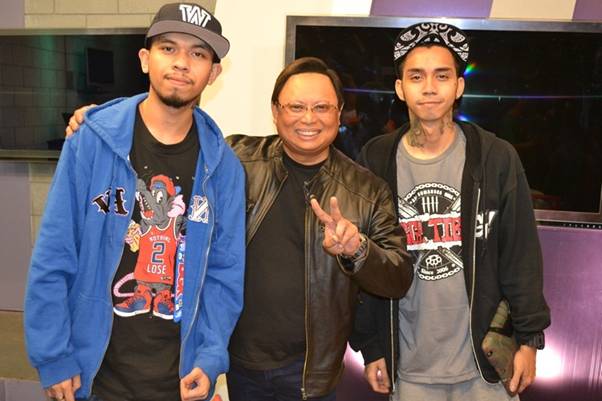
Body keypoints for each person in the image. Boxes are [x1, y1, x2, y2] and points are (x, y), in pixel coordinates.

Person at [65, 57, 413, 401]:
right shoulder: (235, 159)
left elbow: (397, 278)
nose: (309, 118)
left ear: (339, 113)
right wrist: (103, 121)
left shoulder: (367, 191)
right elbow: (169, 136)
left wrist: (357, 250)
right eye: (296, 107)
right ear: (275, 112)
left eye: (322, 107)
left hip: (311, 372)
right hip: (235, 362)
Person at [24, 3, 245, 401]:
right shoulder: (92, 142)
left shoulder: (224, 168)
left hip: (179, 380)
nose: (182, 63)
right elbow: (54, 254)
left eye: (198, 53)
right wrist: (53, 355)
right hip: (94, 376)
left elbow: (224, 276)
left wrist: (211, 356)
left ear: (213, 73)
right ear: (145, 59)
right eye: (168, 48)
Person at [350, 22, 551, 401]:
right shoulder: (375, 159)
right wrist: (371, 346)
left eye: (442, 76)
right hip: (408, 366)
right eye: (416, 76)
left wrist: (529, 339)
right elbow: (365, 264)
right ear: (400, 88)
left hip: (484, 365)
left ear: (459, 86)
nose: (429, 87)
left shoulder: (495, 157)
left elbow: (521, 254)